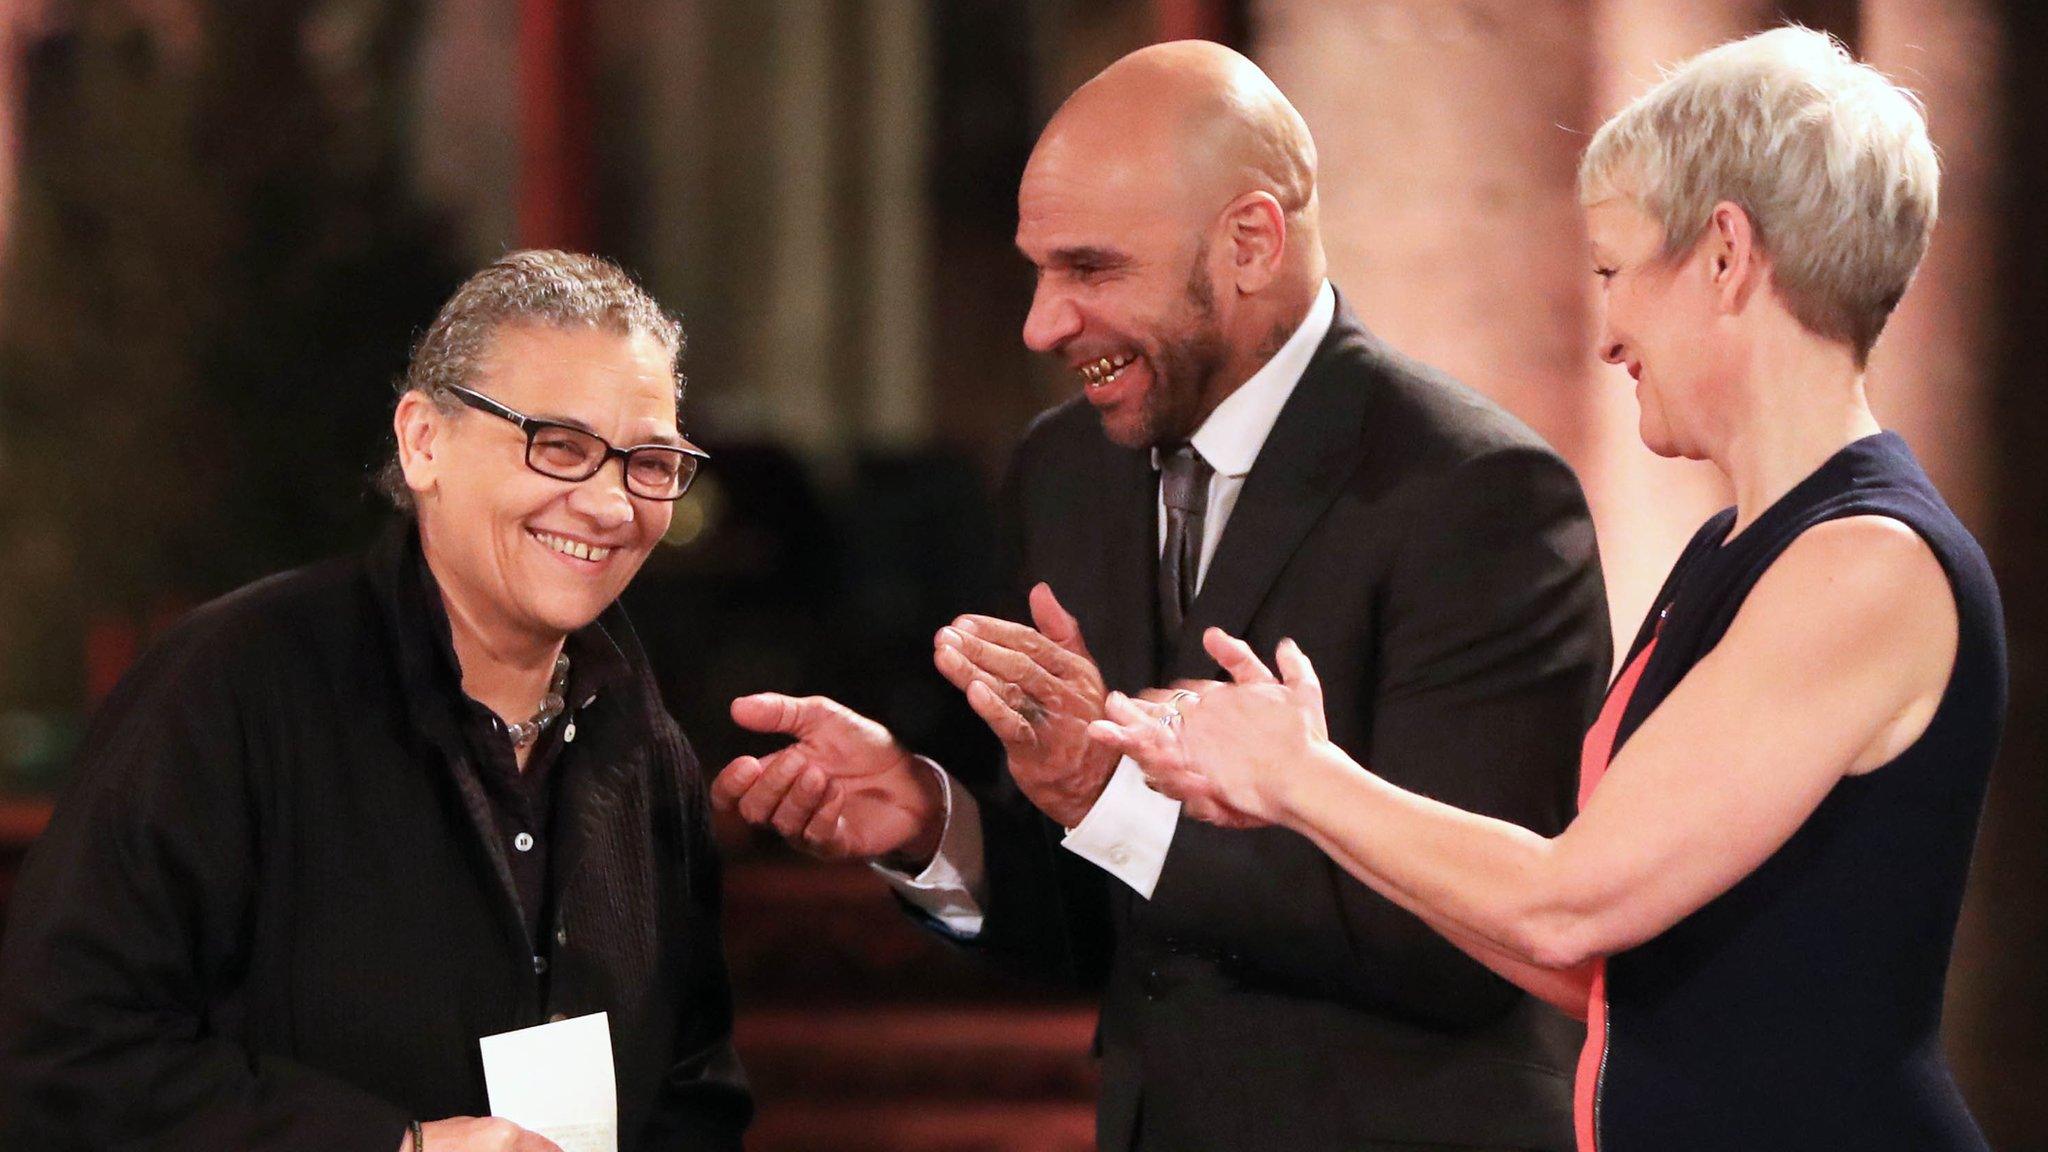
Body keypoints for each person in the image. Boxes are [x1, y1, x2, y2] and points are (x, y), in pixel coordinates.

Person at [1092, 27, 2003, 1152]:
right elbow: (1591, 966)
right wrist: (1301, 799)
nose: (1607, 330)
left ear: (1724, 255)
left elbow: (1569, 898)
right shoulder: (1737, 548)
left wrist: (1304, 776)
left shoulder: (1863, 562)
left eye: (1614, 271)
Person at [714, 42, 1611, 1152]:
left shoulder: (1477, 497)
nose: (1043, 325)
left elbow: (1475, 944)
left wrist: (1106, 799)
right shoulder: (1061, 473)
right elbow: (1108, 925)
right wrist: (933, 821)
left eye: (1089, 271)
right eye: (1038, 270)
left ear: (1248, 243)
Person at [0, 251, 752, 1151]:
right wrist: (396, 1147)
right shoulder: (232, 686)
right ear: (422, 441)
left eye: (650, 462)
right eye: (559, 446)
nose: (608, 503)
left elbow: (692, 1095)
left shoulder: (647, 749)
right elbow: (61, 1058)